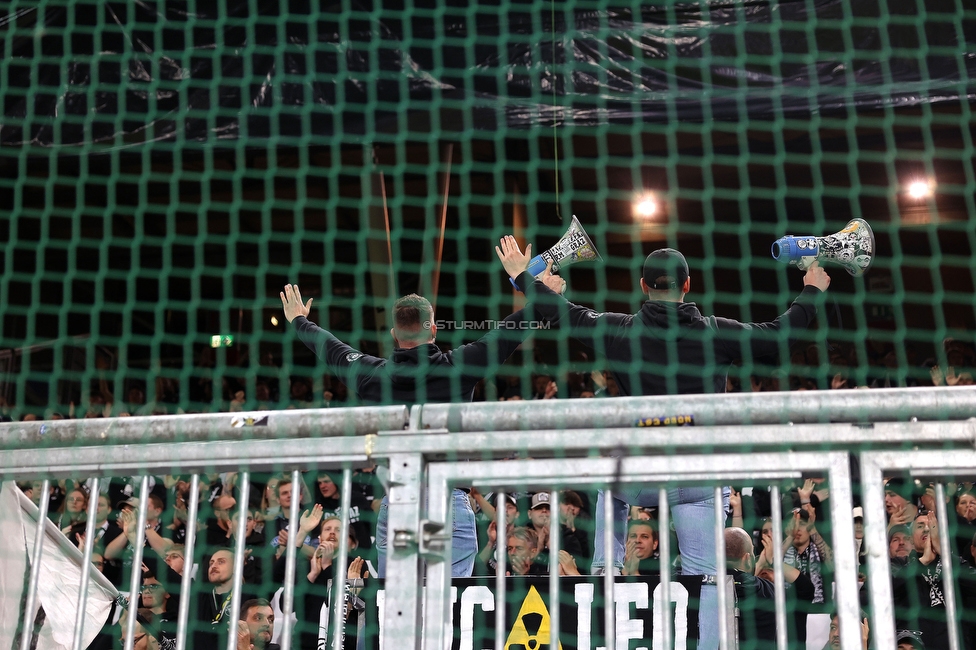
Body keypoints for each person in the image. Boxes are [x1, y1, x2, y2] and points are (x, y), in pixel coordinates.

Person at [500, 236, 830, 649]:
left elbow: (562, 315)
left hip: (639, 472)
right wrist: (813, 287)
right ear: (688, 285)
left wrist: (525, 276)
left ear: (643, 285)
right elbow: (780, 336)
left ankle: (607, 570)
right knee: (708, 576)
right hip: (698, 475)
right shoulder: (716, 332)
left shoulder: (618, 331)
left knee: (609, 488)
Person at [281, 251, 563, 578]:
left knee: (397, 610)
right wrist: (542, 293)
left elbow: (331, 349)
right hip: (448, 504)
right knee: (449, 610)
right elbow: (511, 331)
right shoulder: (460, 366)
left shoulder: (372, 374)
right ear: (434, 330)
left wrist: (300, 320)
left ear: (393, 335)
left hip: (400, 503)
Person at [725, 527, 815, 647]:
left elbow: (806, 587)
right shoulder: (750, 589)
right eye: (762, 570)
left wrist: (773, 560)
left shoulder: (789, 601)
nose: (765, 572)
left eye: (771, 569)